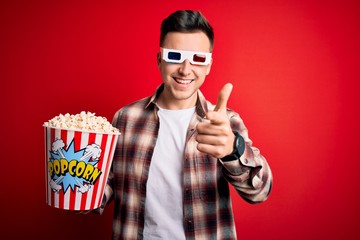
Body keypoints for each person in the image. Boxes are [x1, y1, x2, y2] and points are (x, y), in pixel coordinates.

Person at [100, 10, 272, 240]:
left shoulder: (225, 122)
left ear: (209, 65)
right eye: (174, 56)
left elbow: (260, 192)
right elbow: (105, 185)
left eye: (198, 59)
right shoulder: (125, 118)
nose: (185, 69)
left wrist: (233, 150)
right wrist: (74, 183)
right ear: (160, 59)